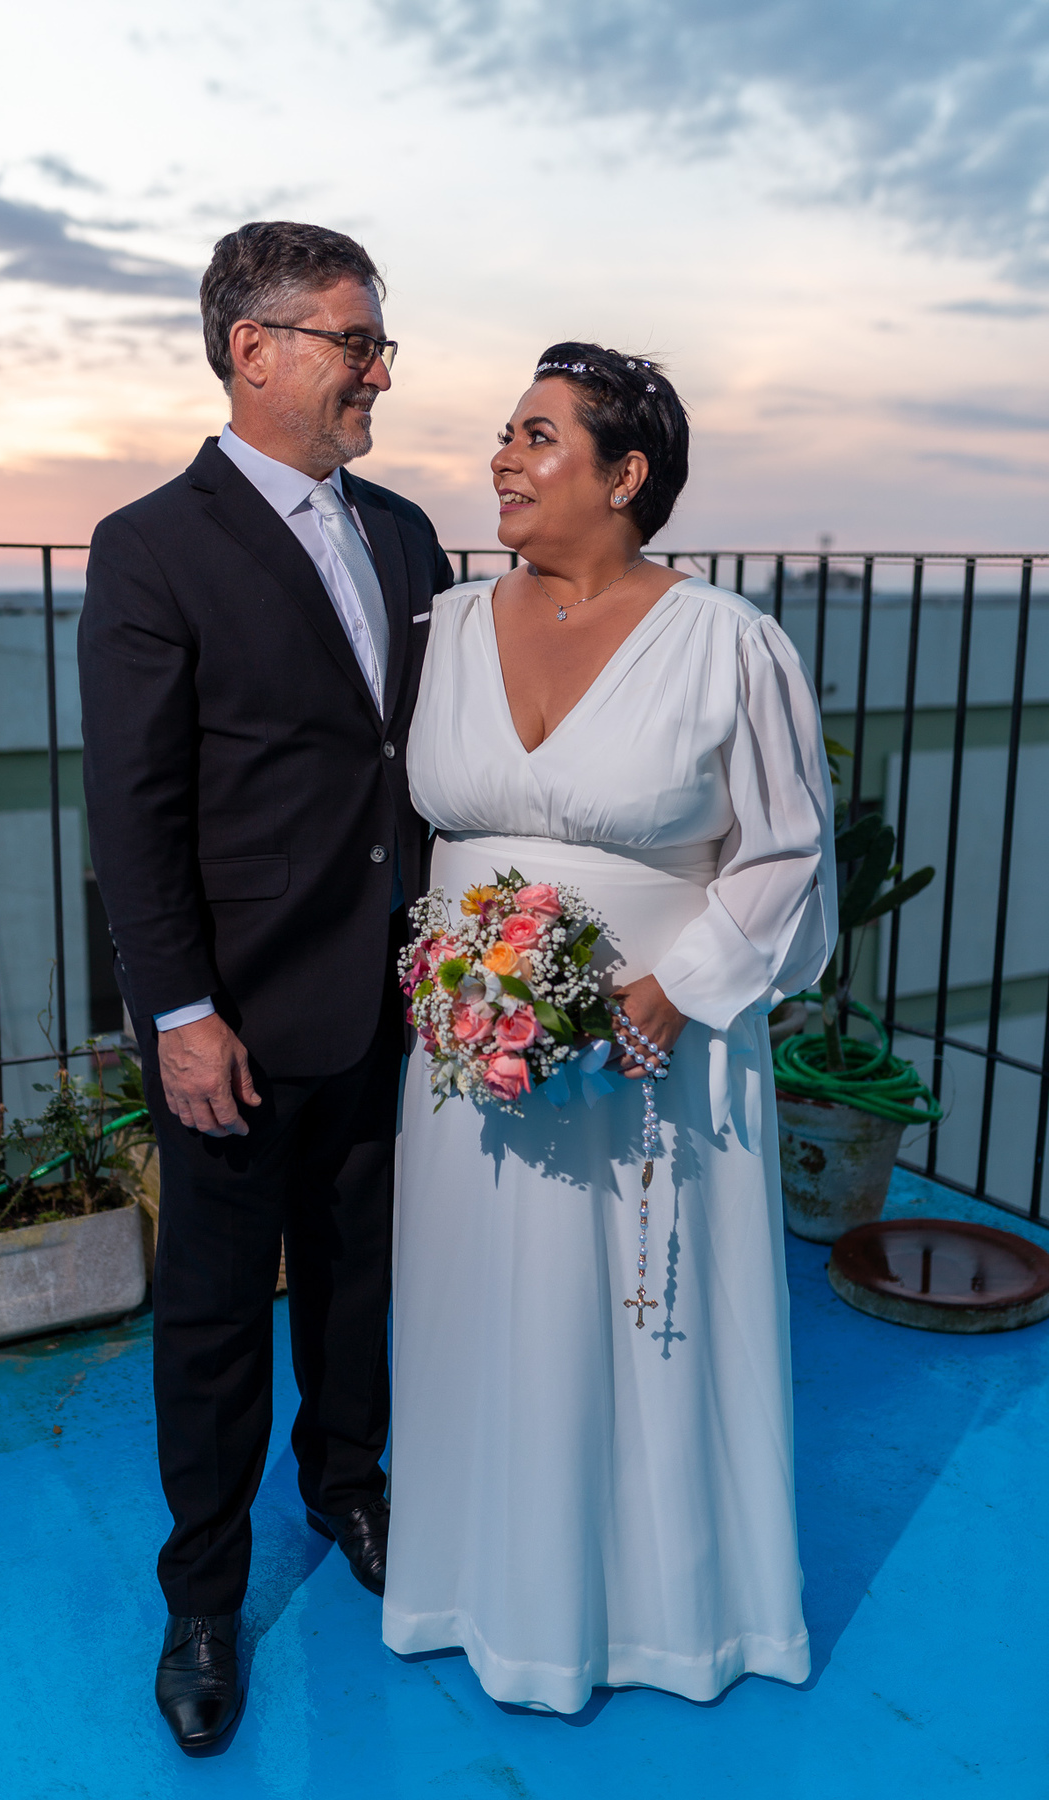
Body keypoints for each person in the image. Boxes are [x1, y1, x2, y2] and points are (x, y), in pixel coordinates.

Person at [382, 342, 836, 1713]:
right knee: (482, 1314)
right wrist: (459, 988)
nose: (501, 459)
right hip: (471, 1063)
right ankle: (474, 1589)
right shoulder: (448, 626)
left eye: (537, 436)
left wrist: (675, 989)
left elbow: (787, 851)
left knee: (649, 1328)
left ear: (626, 473)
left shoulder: (731, 643)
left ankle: (661, 1619)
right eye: (506, 434)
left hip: (656, 1060)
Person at [78, 220, 455, 1750]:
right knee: (218, 1323)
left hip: (387, 1000)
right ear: (254, 348)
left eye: (377, 342)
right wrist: (180, 1014)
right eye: (356, 342)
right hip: (232, 1022)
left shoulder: (408, 534)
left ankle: (350, 1493)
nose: (380, 371)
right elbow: (134, 809)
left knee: (359, 1284)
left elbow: (415, 763)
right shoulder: (150, 546)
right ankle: (204, 1599)